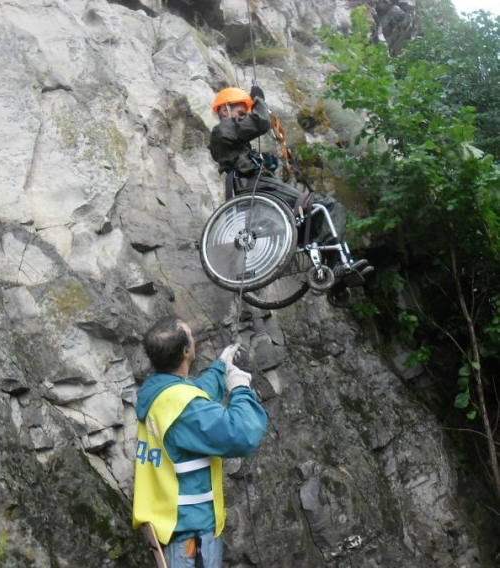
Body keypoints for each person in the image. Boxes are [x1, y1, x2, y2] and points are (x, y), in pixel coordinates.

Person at [132, 315, 267, 568]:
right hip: (191, 531)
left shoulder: (156, 391)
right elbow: (242, 434)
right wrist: (239, 389)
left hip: (167, 521)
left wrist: (220, 367)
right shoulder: (184, 407)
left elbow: (192, 396)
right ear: (186, 352)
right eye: (191, 337)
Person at [208, 85, 373, 287]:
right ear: (224, 110)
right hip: (256, 186)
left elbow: (248, 155)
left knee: (311, 217)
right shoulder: (222, 130)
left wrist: (264, 161)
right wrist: (258, 100)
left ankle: (334, 273)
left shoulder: (231, 139)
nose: (243, 118)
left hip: (256, 186)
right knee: (326, 206)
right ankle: (337, 263)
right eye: (241, 113)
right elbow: (261, 123)